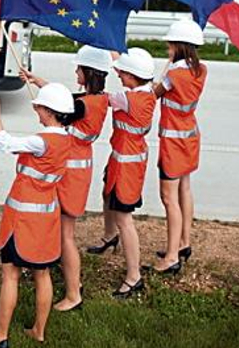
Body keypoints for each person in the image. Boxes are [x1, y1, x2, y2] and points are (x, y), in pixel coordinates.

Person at [0, 83, 84, 347]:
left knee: (10, 274)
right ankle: (39, 330)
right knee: (42, 274)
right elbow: (20, 148)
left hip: (22, 217)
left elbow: (8, 142)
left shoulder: (41, 140)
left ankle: (0, 336)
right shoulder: (65, 138)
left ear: (49, 111)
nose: (36, 109)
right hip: (46, 216)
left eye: (39, 106)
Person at [20, 45, 112, 313]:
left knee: (66, 235)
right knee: (63, 232)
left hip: (70, 175)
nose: (75, 72)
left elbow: (61, 105)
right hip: (78, 171)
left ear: (88, 71)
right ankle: (68, 281)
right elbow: (68, 100)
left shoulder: (83, 106)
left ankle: (73, 293)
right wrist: (39, 82)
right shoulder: (98, 98)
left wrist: (41, 100)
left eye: (78, 68)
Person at [86, 47, 156, 299]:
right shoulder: (146, 90)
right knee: (108, 197)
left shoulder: (130, 99)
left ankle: (133, 276)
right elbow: (120, 64)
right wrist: (112, 48)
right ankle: (109, 237)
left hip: (126, 166)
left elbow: (100, 96)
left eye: (123, 73)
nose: (118, 74)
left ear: (133, 76)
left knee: (124, 218)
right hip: (123, 158)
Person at [148, 19, 207, 274]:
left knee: (168, 198)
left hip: (173, 142)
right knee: (185, 189)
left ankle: (171, 257)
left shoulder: (173, 75)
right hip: (190, 137)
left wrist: (158, 80)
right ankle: (184, 242)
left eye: (170, 45)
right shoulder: (201, 70)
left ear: (180, 46)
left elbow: (154, 94)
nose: (167, 49)